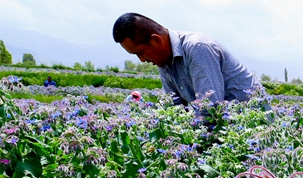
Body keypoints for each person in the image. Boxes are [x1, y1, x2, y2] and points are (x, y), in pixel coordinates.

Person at [111, 13, 261, 116]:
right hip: (225, 127)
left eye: (140, 53)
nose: (142, 60)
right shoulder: (164, 60)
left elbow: (210, 109)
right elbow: (175, 109)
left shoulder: (197, 47)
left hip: (255, 126)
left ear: (156, 40)